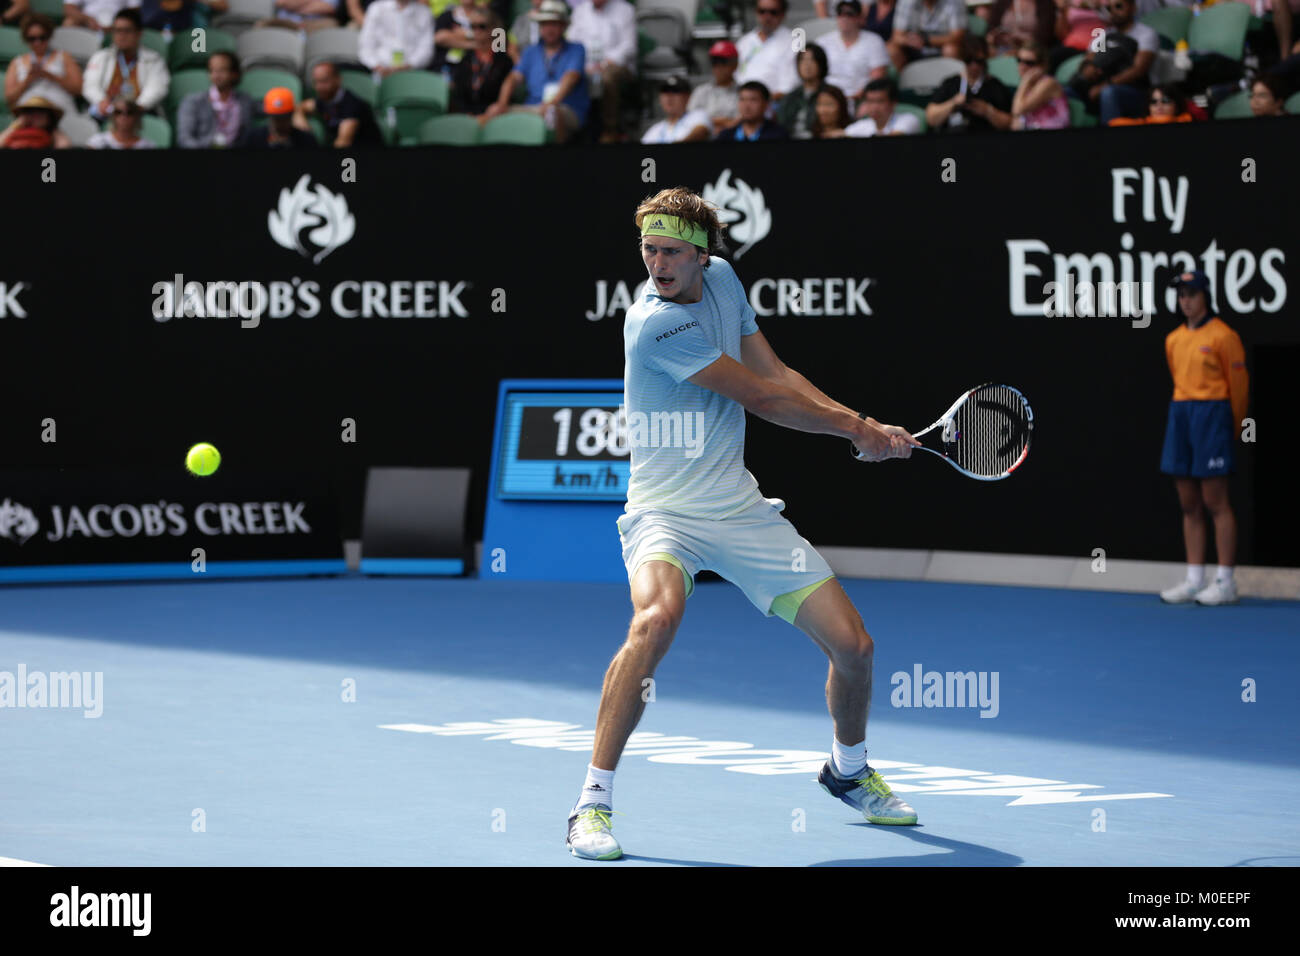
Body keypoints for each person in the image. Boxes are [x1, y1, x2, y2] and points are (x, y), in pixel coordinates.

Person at [564, 186, 921, 860]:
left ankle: (848, 771)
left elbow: (776, 371)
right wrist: (858, 431)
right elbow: (761, 399)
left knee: (855, 647)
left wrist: (861, 423)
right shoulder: (653, 322)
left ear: (703, 256)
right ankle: (591, 803)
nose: (657, 264)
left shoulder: (724, 281)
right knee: (653, 622)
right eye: (648, 250)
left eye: (672, 252)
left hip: (738, 508)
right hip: (665, 513)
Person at [1158, 270, 1249, 607]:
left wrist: (1232, 425)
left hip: (1212, 416)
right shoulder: (1173, 340)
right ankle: (1195, 578)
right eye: (1181, 295)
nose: (1186, 301)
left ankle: (1226, 581)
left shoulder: (1224, 336)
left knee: (1215, 502)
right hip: (1181, 414)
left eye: (1192, 294)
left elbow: (1239, 387)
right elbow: (1178, 378)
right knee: (1189, 503)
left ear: (1205, 297)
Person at [487, 0, 588, 144]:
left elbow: (571, 77)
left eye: (554, 24)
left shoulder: (576, 49)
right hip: (532, 107)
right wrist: (502, 103)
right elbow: (513, 78)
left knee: (552, 113)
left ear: (564, 26)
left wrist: (552, 103)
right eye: (545, 24)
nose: (549, 29)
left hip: (566, 108)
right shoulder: (530, 52)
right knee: (493, 111)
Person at [1066, 0, 1156, 125]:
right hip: (1098, 87)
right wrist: (1088, 68)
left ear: (1133, 7)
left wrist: (1105, 85)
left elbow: (1138, 70)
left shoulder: (1145, 33)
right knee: (1066, 92)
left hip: (1134, 90)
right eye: (1108, 8)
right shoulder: (1104, 34)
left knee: (1109, 93)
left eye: (1119, 6)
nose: (1113, 11)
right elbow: (1089, 59)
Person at [82, 8, 170, 121]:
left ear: (139, 34)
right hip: (106, 112)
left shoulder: (154, 60)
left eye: (127, 31)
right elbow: (90, 86)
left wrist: (136, 107)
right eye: (117, 30)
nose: (121, 36)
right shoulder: (100, 57)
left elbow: (157, 89)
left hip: (140, 115)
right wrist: (101, 101)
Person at [567, 0, 636, 143]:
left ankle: (610, 129)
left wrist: (604, 64)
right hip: (586, 65)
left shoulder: (625, 10)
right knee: (571, 75)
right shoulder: (580, 11)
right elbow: (572, 42)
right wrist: (583, 65)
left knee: (606, 78)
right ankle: (577, 128)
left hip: (616, 65)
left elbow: (629, 47)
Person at [925, 31, 1012, 130]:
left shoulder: (995, 86)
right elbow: (931, 118)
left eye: (979, 61)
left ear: (985, 59)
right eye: (969, 60)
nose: (974, 66)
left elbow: (1010, 123)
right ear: (962, 59)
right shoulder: (951, 83)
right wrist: (953, 104)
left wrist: (988, 111)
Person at [4, 13, 82, 117]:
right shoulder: (16, 62)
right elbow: (9, 98)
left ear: (49, 36)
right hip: (29, 110)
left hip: (60, 108)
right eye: (32, 39)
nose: (37, 43)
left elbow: (78, 89)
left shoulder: (64, 57)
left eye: (42, 38)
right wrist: (28, 80)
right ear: (26, 39)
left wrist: (49, 76)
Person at [176, 50, 254, 148]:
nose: (216, 75)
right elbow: (184, 139)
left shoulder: (244, 101)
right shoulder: (193, 102)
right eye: (212, 70)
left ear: (234, 74)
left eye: (222, 70)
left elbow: (268, 108)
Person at [818, 0, 890, 105]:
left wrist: (856, 98)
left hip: (861, 100)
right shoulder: (822, 42)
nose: (844, 18)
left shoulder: (874, 41)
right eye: (840, 13)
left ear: (860, 18)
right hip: (826, 99)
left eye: (849, 14)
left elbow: (877, 77)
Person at [296, 61, 384, 145]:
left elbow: (343, 143)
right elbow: (301, 107)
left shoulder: (352, 105)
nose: (318, 87)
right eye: (316, 82)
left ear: (337, 80)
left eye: (324, 81)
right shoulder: (325, 99)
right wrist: (305, 128)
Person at [449, 6, 514, 117]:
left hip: (493, 116)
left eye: (482, 26)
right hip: (466, 116)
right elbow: (458, 94)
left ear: (493, 28)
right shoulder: (466, 59)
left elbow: (503, 99)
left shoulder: (503, 61)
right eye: (473, 26)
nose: (477, 31)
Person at [735, 0, 799, 103]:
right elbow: (736, 76)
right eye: (762, 11)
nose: (767, 16)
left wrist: (761, 102)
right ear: (756, 12)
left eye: (773, 12)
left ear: (783, 14)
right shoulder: (744, 42)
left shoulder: (794, 41)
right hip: (742, 102)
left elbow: (791, 84)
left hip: (777, 103)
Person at [358, 0, 435, 76]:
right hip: (379, 72)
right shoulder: (377, 8)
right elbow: (366, 44)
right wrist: (377, 66)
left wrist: (408, 66)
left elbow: (426, 49)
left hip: (413, 74)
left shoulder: (424, 12)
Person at [886, 0, 966, 70]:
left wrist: (926, 40)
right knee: (891, 49)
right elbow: (897, 36)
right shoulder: (906, 2)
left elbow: (958, 36)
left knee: (951, 49)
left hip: (942, 47)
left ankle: (954, 79)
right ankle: (907, 79)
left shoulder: (955, 2)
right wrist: (909, 40)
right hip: (915, 48)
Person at [1008, 40, 1068, 128]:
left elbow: (1017, 110)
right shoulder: (1029, 85)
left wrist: (1024, 82)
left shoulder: (1048, 83)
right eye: (1019, 60)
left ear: (1042, 65)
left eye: (1029, 63)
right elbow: (1016, 122)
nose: (1022, 66)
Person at [687, 40, 741, 135]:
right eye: (714, 62)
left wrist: (709, 122)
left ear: (735, 64)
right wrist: (724, 121)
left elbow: (742, 121)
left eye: (723, 62)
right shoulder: (701, 91)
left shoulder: (744, 92)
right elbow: (691, 120)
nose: (718, 66)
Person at [776, 45, 831, 139]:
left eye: (812, 60)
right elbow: (781, 126)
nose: (807, 65)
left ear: (821, 64)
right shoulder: (789, 98)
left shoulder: (831, 94)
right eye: (803, 60)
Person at [240, 86, 319, 147]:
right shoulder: (254, 138)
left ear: (291, 114)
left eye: (284, 117)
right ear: (269, 116)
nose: (280, 122)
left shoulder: (305, 140)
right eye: (276, 118)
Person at [640, 74, 710, 142]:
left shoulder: (698, 116)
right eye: (665, 91)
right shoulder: (654, 130)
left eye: (675, 91)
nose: (669, 97)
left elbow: (701, 132)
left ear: (687, 96)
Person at [712, 80, 789, 139]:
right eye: (742, 99)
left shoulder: (778, 135)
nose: (746, 106)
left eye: (753, 100)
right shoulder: (726, 136)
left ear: (766, 104)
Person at [845, 75, 922, 133]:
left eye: (880, 101)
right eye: (870, 101)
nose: (874, 107)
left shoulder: (909, 120)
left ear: (893, 103)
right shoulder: (861, 125)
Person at [984, 0, 1054, 57]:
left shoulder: (1044, 3)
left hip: (1032, 50)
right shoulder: (1003, 2)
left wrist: (1021, 42)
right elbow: (991, 28)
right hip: (1003, 49)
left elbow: (1045, 35)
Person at [0, 93, 71, 147]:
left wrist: (53, 128)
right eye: (30, 111)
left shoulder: (54, 135)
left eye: (41, 111)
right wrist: (17, 124)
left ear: (49, 116)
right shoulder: (17, 132)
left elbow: (64, 147)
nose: (35, 115)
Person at [86, 93, 156, 147]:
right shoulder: (97, 142)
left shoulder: (148, 145)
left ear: (136, 116)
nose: (124, 116)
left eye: (129, 112)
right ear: (113, 116)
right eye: (118, 112)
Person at [1107, 82, 1193, 125]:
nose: (1159, 106)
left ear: (1177, 106)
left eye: (1165, 101)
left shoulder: (1188, 123)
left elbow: (1165, 120)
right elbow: (1113, 123)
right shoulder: (1142, 123)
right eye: (1153, 102)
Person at [258, 0, 341, 32]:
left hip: (316, 24)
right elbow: (281, 2)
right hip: (285, 23)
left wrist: (296, 5)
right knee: (261, 26)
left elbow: (328, 7)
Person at [62, 0, 134, 31]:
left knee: (129, 24)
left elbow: (134, 9)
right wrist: (88, 20)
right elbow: (69, 8)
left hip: (118, 22)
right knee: (69, 22)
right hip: (87, 22)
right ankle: (66, 56)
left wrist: (118, 23)